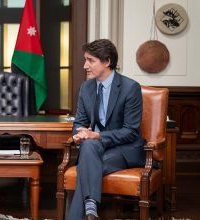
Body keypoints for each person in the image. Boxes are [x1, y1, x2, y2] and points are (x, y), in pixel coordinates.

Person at [67, 39, 146, 220]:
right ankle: (91, 208)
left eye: (91, 60)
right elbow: (79, 122)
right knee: (87, 146)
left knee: (84, 169)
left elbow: (130, 131)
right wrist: (79, 134)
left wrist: (97, 135)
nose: (85, 65)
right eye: (85, 60)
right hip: (94, 148)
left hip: (123, 150)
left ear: (107, 62)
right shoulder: (86, 88)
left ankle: (87, 207)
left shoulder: (130, 88)